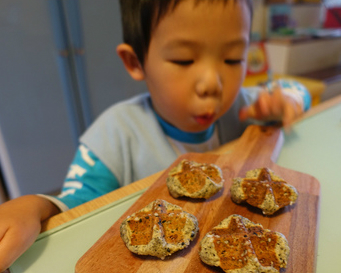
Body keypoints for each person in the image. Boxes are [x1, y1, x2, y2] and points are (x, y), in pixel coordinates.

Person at [0, 0, 311, 271]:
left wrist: (289, 98)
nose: (212, 83)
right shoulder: (114, 134)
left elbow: (299, 92)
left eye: (232, 59)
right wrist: (36, 207)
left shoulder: (245, 107)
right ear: (135, 62)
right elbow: (79, 204)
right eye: (184, 60)